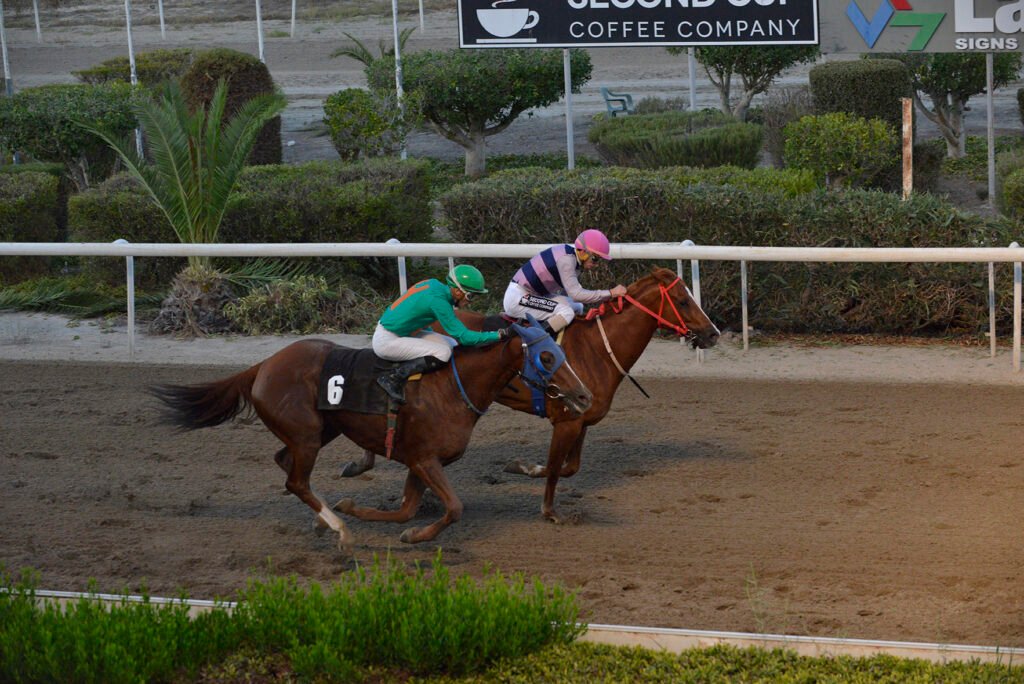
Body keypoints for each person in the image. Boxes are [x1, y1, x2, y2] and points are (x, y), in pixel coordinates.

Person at [374, 264, 509, 404]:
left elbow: (420, 314)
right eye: (470, 296)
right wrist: (499, 335)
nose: (470, 301)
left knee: (452, 344)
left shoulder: (434, 285)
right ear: (458, 291)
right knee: (443, 352)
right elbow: (464, 337)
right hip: (387, 340)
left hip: (403, 332)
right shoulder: (439, 301)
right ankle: (393, 378)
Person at [503, 229, 628, 337]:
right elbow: (576, 294)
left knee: (577, 307)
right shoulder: (567, 260)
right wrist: (611, 293)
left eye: (599, 260)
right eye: (595, 258)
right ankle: (536, 341)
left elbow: (573, 296)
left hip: (531, 295)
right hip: (518, 297)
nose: (596, 264)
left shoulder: (573, 260)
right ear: (583, 252)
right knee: (566, 312)